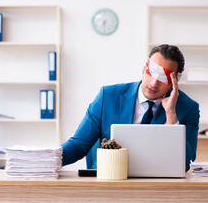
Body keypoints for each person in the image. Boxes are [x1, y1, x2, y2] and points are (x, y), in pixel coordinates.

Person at [61, 44, 200, 171]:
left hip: (157, 186)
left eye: (164, 78)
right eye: (151, 71)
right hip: (109, 181)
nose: (154, 83)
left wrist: (171, 115)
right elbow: (78, 145)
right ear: (144, 68)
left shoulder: (188, 108)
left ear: (175, 82)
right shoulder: (108, 97)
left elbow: (186, 163)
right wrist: (44, 160)